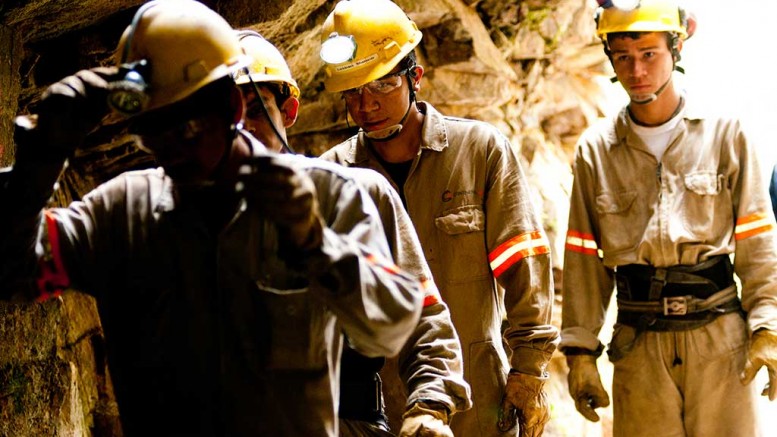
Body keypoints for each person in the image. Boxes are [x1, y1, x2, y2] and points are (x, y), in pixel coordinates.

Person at [0, 1, 425, 435]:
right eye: (152, 134)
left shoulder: (326, 197)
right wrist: (40, 164)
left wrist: (315, 243)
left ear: (231, 108)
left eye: (186, 129)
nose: (171, 151)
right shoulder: (123, 210)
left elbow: (389, 329)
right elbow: (13, 271)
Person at [316, 1, 560, 436]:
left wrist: (530, 370)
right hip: (375, 406)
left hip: (475, 394)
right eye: (352, 92)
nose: (365, 105)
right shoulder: (334, 175)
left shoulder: (479, 152)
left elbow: (524, 266)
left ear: (416, 78)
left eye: (382, 86)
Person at [232, 30, 472, 436]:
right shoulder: (174, 217)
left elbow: (423, 316)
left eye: (256, 110)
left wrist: (430, 404)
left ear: (288, 110)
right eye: (225, 117)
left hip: (346, 421)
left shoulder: (357, 195)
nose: (242, 130)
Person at [560, 1, 777, 436]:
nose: (636, 71)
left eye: (649, 54)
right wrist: (580, 353)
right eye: (623, 57)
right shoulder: (595, 151)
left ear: (676, 49)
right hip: (639, 347)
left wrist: (767, 327)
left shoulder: (725, 134)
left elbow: (758, 240)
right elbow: (583, 257)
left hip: (719, 341)